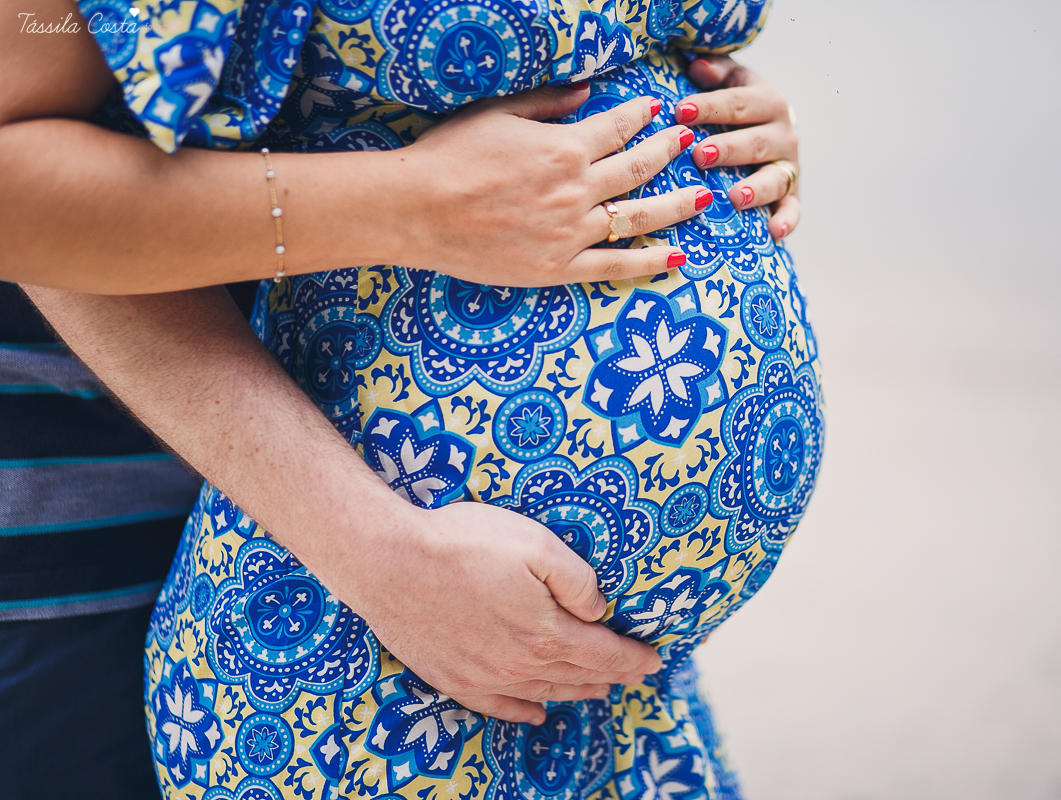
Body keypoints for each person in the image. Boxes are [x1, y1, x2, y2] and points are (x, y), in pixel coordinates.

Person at [0, 1, 809, 798]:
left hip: (581, 652)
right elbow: (19, 179)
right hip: (280, 577)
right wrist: (375, 551)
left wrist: (709, 122)